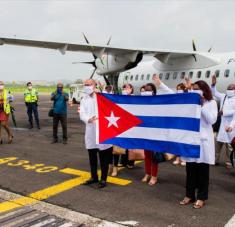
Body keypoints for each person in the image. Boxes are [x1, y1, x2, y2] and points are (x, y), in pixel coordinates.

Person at [180, 80, 217, 209]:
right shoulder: (190, 103)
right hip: (191, 139)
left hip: (204, 142)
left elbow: (212, 120)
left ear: (204, 90)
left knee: (202, 172)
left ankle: (201, 197)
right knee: (190, 170)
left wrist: (201, 106)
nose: (195, 90)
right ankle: (189, 195)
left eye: (197, 88)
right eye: (193, 88)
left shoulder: (211, 103)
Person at [80, 79, 112, 188]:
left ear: (95, 85)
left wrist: (101, 92)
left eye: (89, 84)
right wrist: (89, 119)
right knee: (92, 156)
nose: (87, 86)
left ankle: (103, 179)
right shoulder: (84, 99)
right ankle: (94, 177)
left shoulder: (103, 96)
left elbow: (111, 105)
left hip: (103, 130)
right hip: (90, 131)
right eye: (85, 85)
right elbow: (82, 113)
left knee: (104, 157)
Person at [153, 74, 186, 166]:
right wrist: (159, 83)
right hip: (176, 123)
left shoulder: (188, 97)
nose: (179, 90)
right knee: (178, 140)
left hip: (185, 123)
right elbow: (167, 90)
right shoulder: (175, 96)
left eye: (181, 89)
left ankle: (184, 158)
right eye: (178, 88)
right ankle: (178, 157)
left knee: (184, 140)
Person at [211, 75, 235, 168]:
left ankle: (229, 161)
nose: (229, 90)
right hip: (221, 125)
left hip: (231, 124)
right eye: (228, 88)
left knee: (229, 145)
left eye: (231, 88)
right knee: (218, 143)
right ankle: (215, 160)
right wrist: (213, 85)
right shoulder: (224, 97)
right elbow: (215, 93)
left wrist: (224, 112)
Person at [141, 83, 159, 185]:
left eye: (148, 90)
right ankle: (147, 173)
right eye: (145, 90)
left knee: (154, 156)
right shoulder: (142, 103)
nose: (146, 92)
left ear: (153, 92)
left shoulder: (157, 102)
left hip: (155, 133)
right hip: (145, 132)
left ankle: (154, 176)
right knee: (147, 155)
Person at [120, 83, 135, 168]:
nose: (126, 89)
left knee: (131, 144)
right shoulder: (121, 98)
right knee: (124, 143)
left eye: (128, 87)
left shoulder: (133, 97)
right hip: (123, 123)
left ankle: (131, 162)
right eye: (124, 87)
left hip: (132, 123)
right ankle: (123, 161)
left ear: (131, 88)